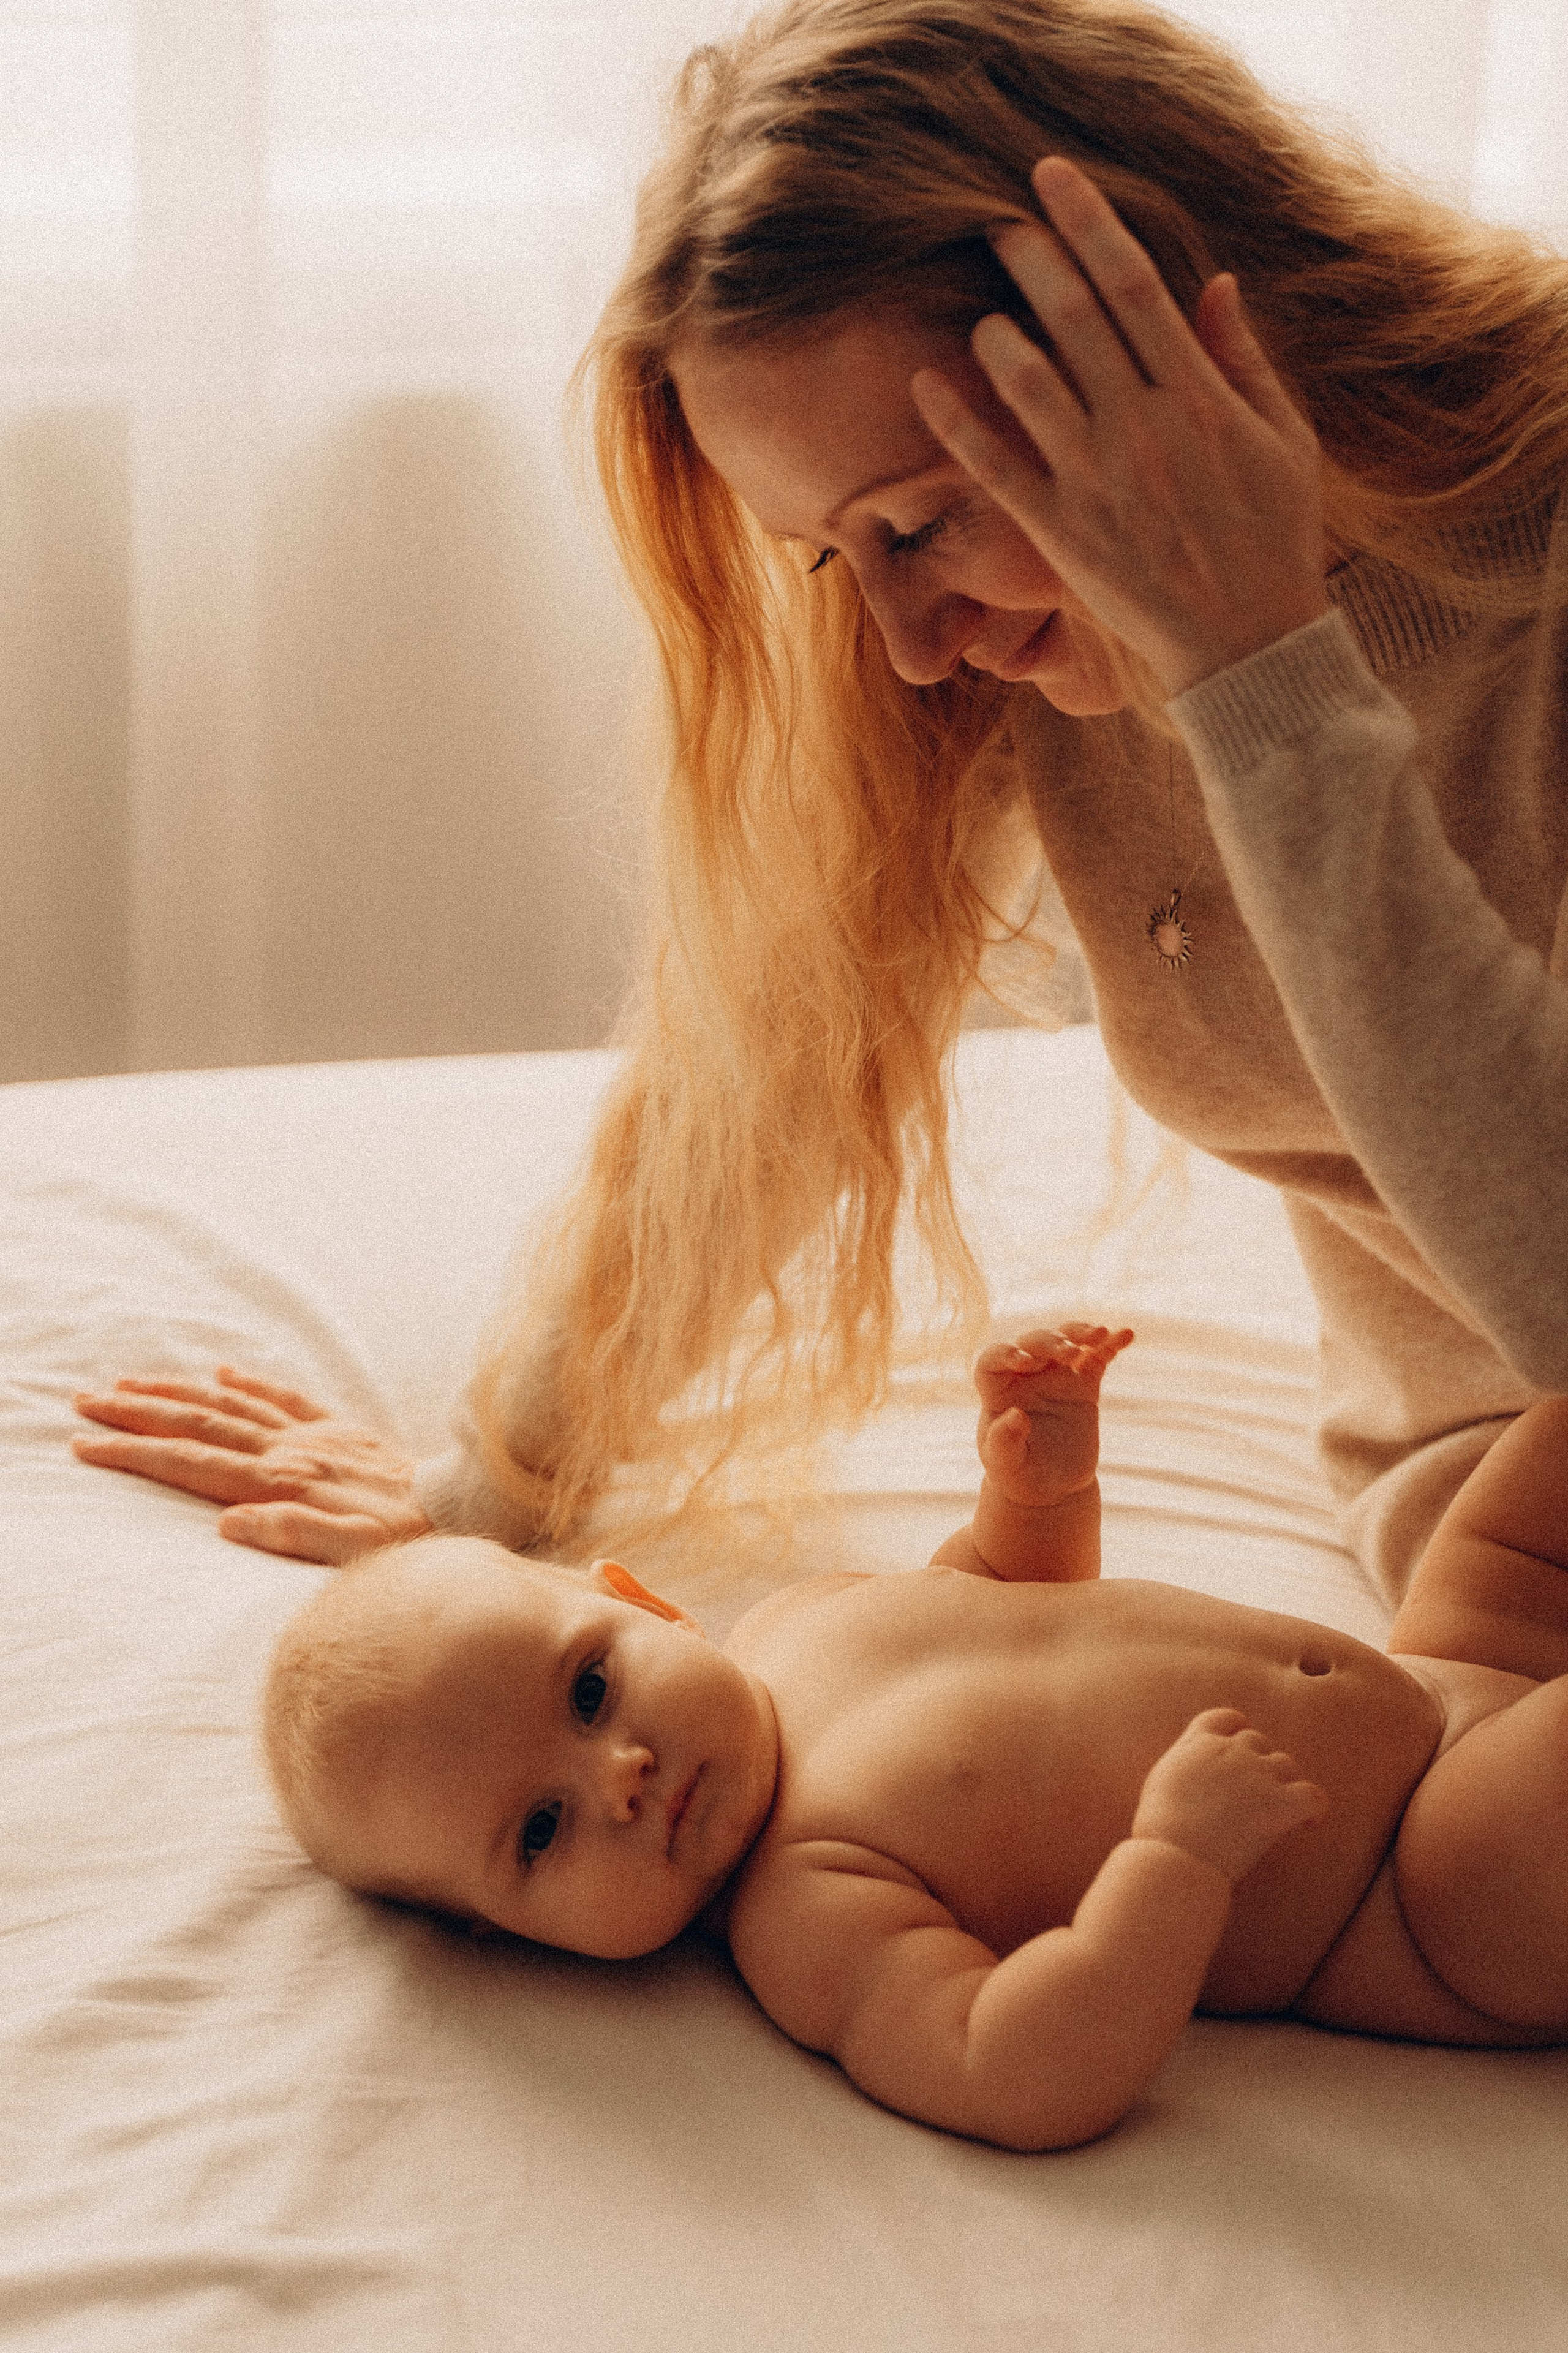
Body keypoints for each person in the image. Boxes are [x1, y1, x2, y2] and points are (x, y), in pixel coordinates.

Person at [74, 0, 1568, 1608]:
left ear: (1184, 358)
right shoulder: (1033, 650)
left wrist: (1257, 665)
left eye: (922, 526)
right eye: (832, 555)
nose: (914, 652)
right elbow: (785, 1058)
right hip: (1478, 1551)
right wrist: (493, 1484)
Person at [260, 1324, 1568, 2153]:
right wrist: (1173, 1862)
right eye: (537, 1831)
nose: (619, 1779)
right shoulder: (806, 1913)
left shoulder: (800, 1615)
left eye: (591, 1690)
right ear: (509, 1936)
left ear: (637, 1599)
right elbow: (1014, 2068)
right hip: (1424, 1884)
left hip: (1453, 1656)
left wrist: (1034, 1491)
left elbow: (1005, 1608)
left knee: (1535, 1446)